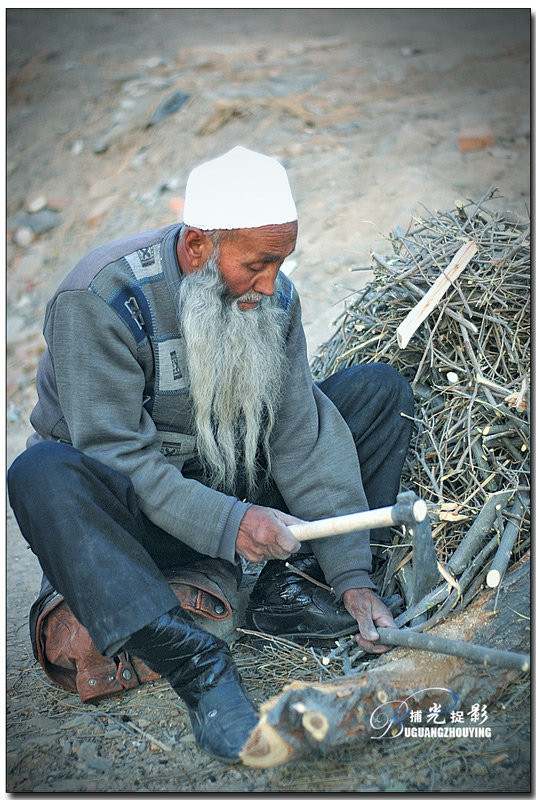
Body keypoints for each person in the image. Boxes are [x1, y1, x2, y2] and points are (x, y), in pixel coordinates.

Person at [8, 146, 414, 763]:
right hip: (126, 521)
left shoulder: (273, 299)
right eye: (258, 263)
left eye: (281, 263)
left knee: (377, 393)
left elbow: (299, 432)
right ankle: (196, 664)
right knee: (39, 474)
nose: (272, 284)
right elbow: (118, 457)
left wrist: (352, 578)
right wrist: (232, 523)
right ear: (198, 247)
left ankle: (295, 588)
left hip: (222, 481)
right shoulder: (100, 297)